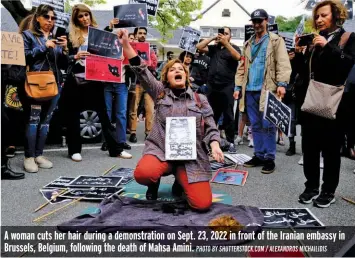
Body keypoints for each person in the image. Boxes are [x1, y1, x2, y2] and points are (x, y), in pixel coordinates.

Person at [118, 29, 224, 211]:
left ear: (186, 76)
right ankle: (154, 182)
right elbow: (142, 71)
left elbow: (211, 127)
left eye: (180, 69)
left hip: (190, 158)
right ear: (166, 77)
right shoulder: (159, 93)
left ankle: (180, 181)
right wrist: (127, 45)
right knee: (144, 174)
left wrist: (215, 144)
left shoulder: (200, 100)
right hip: (162, 151)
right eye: (172, 70)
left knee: (202, 204)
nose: (177, 71)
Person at [294, 0, 355, 208]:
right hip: (311, 101)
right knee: (309, 148)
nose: (319, 20)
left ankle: (328, 190)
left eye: (324, 15)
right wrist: (298, 55)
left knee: (331, 151)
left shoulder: (348, 38)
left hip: (335, 103)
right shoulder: (313, 41)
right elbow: (303, 73)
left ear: (336, 16)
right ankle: (311, 186)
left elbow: (346, 65)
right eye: (317, 16)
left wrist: (327, 46)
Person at [64, 4, 132, 161]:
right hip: (76, 78)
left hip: (95, 79)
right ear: (76, 19)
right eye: (80, 16)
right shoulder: (70, 36)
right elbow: (63, 60)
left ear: (90, 15)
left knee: (104, 115)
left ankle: (116, 149)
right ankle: (74, 150)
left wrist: (118, 56)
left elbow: (109, 52)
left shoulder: (98, 33)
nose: (84, 18)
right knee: (73, 115)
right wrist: (75, 56)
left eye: (86, 15)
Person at [235, 9, 291, 174]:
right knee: (255, 125)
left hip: (268, 90)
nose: (257, 24)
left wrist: (282, 83)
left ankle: (269, 158)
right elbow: (242, 67)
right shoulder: (248, 43)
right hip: (250, 90)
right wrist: (238, 87)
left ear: (266, 21)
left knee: (268, 125)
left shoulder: (275, 41)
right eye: (254, 21)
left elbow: (283, 63)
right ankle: (258, 155)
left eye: (260, 21)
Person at [21, 4, 68, 172]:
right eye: (47, 17)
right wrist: (44, 46)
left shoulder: (56, 37)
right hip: (36, 82)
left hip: (54, 83)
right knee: (33, 120)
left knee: (46, 122)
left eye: (53, 18)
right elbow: (24, 56)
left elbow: (63, 64)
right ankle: (29, 157)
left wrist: (64, 50)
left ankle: (39, 155)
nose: (50, 21)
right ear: (38, 18)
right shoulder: (28, 35)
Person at [196, 26, 241, 153]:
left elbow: (238, 57)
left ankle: (230, 142)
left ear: (230, 36)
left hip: (227, 86)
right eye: (221, 33)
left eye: (226, 34)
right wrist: (213, 38)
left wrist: (226, 44)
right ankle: (209, 141)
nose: (223, 35)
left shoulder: (234, 48)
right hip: (212, 86)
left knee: (228, 115)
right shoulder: (214, 48)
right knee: (210, 115)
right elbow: (199, 47)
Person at [101, 18, 132, 153]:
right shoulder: (106, 46)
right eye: (117, 34)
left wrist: (126, 61)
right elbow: (98, 39)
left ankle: (121, 141)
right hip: (107, 83)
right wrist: (109, 26)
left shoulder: (128, 48)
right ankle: (107, 141)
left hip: (121, 84)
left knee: (121, 113)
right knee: (106, 113)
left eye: (122, 34)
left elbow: (137, 63)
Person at [128, 27, 158, 143]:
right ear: (135, 35)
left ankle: (148, 133)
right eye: (140, 33)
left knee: (149, 109)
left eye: (144, 33)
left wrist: (148, 63)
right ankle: (133, 132)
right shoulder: (131, 48)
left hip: (148, 83)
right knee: (133, 108)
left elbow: (154, 64)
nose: (142, 35)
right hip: (136, 82)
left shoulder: (150, 49)